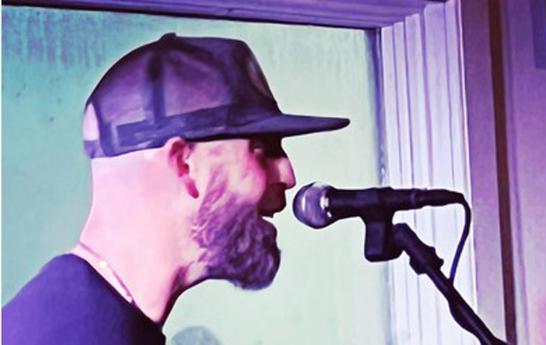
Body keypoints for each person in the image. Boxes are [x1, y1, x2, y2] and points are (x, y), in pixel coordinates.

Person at [2, 33, 349, 345]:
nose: (288, 175)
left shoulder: (84, 316)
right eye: (261, 147)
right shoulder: (76, 336)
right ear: (185, 166)